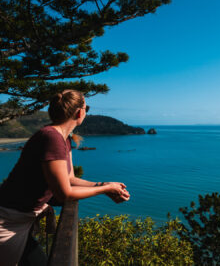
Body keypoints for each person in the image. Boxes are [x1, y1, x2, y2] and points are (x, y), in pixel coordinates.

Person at [0, 90, 130, 265]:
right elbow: (64, 194)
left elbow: (70, 179)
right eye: (87, 107)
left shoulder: (63, 138)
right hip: (8, 219)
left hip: (20, 217)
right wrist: (106, 189)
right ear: (79, 112)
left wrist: (102, 184)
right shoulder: (52, 137)